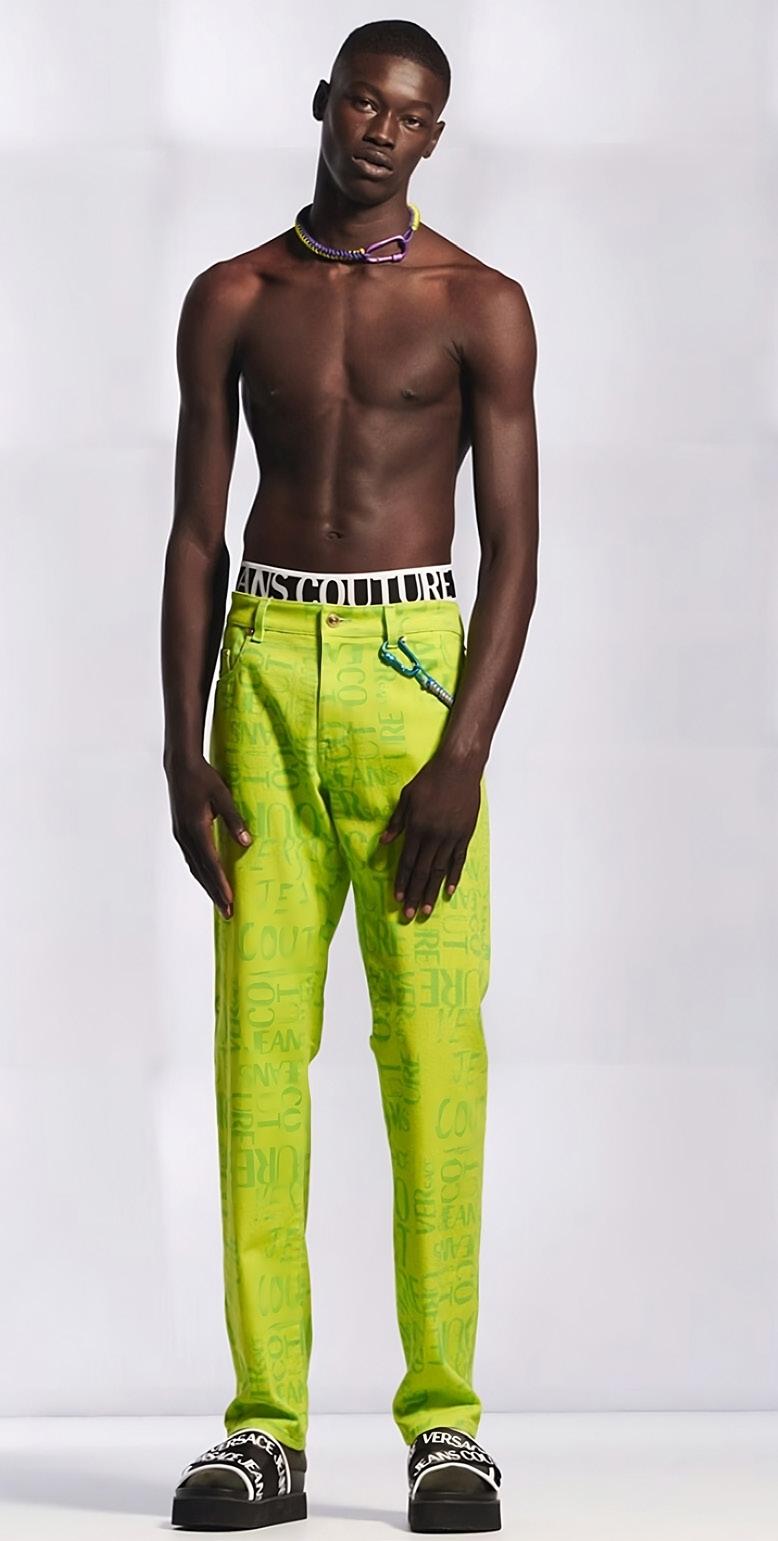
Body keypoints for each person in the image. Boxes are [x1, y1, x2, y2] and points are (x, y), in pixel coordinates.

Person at [162, 17, 538, 1533]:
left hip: (408, 680)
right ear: (323, 106)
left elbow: (514, 545)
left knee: (434, 1059)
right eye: (363, 103)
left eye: (410, 114)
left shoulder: (479, 305)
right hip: (261, 671)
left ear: (433, 137)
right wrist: (181, 746)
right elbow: (196, 531)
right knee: (259, 1065)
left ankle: (446, 1426)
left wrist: (463, 752)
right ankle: (265, 1433)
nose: (381, 130)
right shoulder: (234, 296)